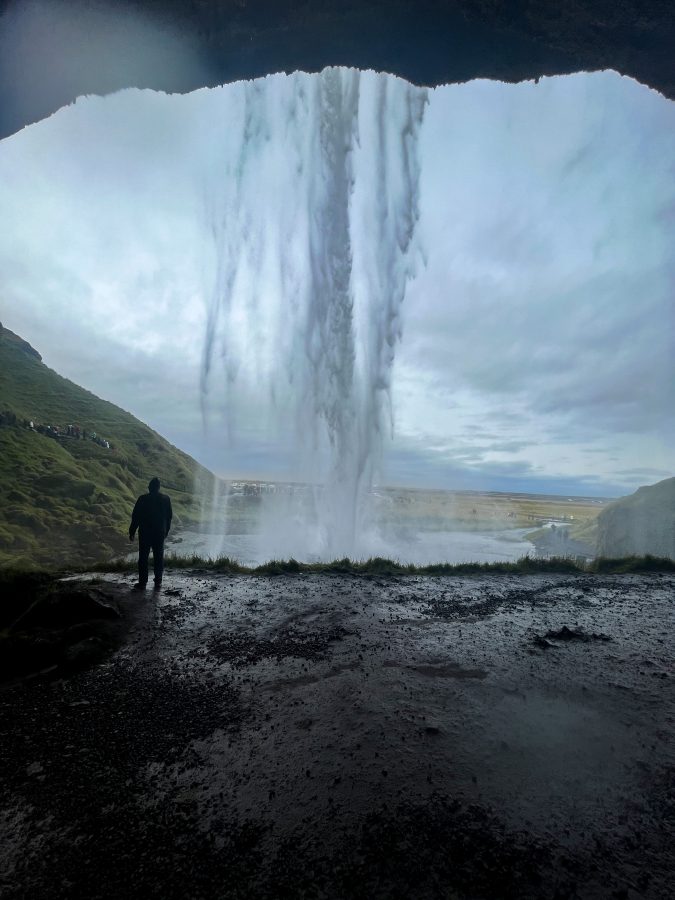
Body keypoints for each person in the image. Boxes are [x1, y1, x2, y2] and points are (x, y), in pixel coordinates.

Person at [129, 477, 173, 590]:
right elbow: (169, 517)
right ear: (158, 487)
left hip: (145, 533)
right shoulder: (166, 499)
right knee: (159, 557)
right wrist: (166, 531)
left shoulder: (142, 499)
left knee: (143, 557)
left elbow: (136, 516)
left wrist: (132, 531)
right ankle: (158, 581)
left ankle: (143, 582)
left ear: (149, 487)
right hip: (159, 533)